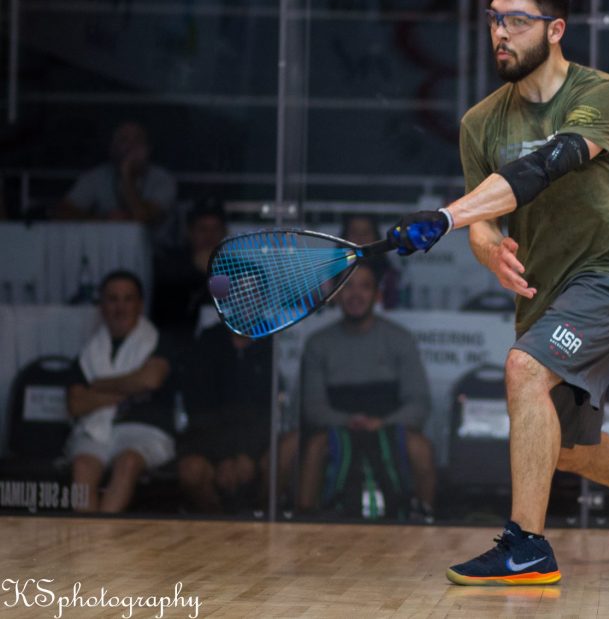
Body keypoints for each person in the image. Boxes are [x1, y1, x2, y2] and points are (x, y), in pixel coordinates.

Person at [384, 0, 609, 585]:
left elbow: (546, 166)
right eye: (494, 20)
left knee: (522, 369)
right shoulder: (479, 123)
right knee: (563, 448)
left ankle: (527, 547)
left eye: (517, 21)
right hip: (546, 290)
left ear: (556, 29)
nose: (501, 33)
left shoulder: (601, 95)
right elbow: (489, 213)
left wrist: (445, 218)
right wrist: (483, 244)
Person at [298, 262, 436, 520]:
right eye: (347, 286)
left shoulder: (400, 338)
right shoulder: (318, 343)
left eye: (365, 287)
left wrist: (382, 422)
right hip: (338, 428)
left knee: (421, 448)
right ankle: (304, 520)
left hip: (388, 426)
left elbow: (419, 403)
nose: (355, 295)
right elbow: (313, 408)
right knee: (314, 447)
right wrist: (348, 421)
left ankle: (423, 515)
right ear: (336, 294)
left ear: (377, 294)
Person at [64, 270, 176, 513]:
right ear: (102, 306)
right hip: (97, 431)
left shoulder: (158, 341)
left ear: (140, 304)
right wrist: (130, 387)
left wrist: (98, 385)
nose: (120, 307)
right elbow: (75, 404)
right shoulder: (89, 352)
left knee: (128, 460)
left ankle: (101, 541)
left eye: (128, 299)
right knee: (82, 464)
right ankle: (88, 543)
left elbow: (150, 380)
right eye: (113, 299)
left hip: (146, 431)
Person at [176, 323, 297, 513]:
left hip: (255, 447)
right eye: (240, 293)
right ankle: (216, 525)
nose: (247, 298)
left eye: (254, 293)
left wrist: (246, 454)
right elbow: (199, 413)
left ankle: (263, 518)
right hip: (211, 447)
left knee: (289, 447)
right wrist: (225, 457)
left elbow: (269, 412)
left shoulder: (267, 342)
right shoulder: (207, 342)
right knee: (191, 470)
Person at [55, 121, 177, 237]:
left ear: (148, 148)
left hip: (156, 253)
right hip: (106, 248)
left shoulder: (163, 179)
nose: (131, 146)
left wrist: (126, 176)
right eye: (124, 140)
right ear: (112, 148)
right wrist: (104, 220)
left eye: (137, 140)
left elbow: (142, 218)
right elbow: (61, 212)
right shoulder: (96, 176)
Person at [151, 196, 228, 336]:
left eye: (215, 229)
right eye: (203, 229)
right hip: (181, 346)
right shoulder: (170, 267)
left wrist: (214, 272)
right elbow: (167, 318)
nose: (209, 237)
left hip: (223, 348)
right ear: (189, 232)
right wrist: (195, 270)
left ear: (224, 233)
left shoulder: (238, 269)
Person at [340, 213, 401, 309]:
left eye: (365, 233)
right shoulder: (330, 275)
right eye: (354, 232)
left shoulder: (390, 276)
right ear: (344, 237)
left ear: (375, 237)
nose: (360, 239)